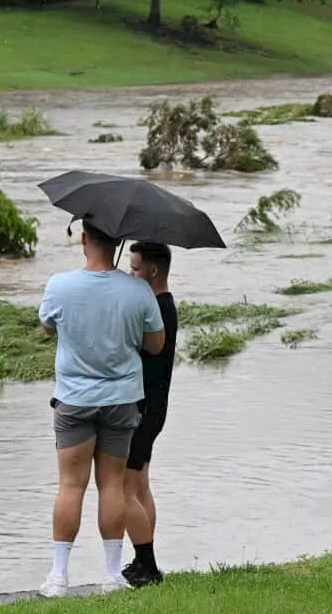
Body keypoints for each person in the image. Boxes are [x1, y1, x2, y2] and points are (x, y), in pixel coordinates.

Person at [37, 222, 165, 597]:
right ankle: (112, 576)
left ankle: (59, 577)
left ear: (83, 240)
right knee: (112, 485)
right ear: (118, 243)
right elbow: (155, 345)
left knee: (70, 485)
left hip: (74, 399)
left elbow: (46, 327)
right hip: (122, 400)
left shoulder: (59, 285)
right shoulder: (138, 289)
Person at [121, 241, 178, 587]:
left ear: (153, 271)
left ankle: (147, 564)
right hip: (155, 408)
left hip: (142, 409)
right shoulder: (163, 305)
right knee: (139, 484)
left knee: (125, 487)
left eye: (135, 268)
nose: (131, 274)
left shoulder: (156, 309)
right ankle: (144, 558)